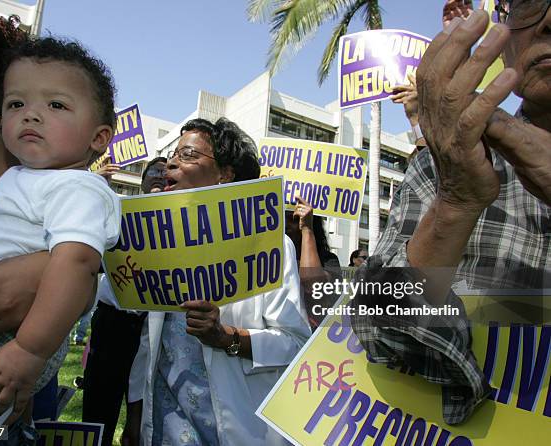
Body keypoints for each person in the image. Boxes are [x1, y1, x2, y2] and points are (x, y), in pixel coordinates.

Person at [351, 0, 550, 426]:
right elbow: (378, 330)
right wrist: (454, 207)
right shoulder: (450, 164)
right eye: (532, 1)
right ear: (507, 36)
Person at [0, 36, 121, 421]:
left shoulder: (79, 188)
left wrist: (30, 350)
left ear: (99, 137)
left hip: (4, 337)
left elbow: (76, 265)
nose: (31, 114)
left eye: (56, 105)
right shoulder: (22, 177)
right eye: (15, 103)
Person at [124, 117, 311, 446]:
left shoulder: (269, 244)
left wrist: (226, 338)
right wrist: (136, 419)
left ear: (225, 173)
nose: (171, 162)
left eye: (188, 154)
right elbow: (149, 347)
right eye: (172, 154)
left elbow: (294, 344)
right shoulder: (155, 243)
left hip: (237, 429)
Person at [82, 158, 165, 446]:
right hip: (112, 320)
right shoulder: (117, 209)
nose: (159, 176)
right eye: (153, 171)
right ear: (142, 180)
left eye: (166, 172)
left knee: (143, 403)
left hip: (151, 326)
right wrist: (97, 183)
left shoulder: (178, 222)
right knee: (99, 405)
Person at [285, 196, 342, 329]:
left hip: (311, 337)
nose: (286, 226)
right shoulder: (272, 258)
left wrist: (306, 229)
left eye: (293, 220)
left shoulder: (328, 260)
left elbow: (312, 285)